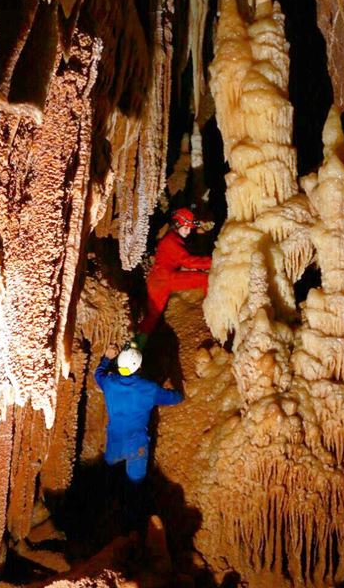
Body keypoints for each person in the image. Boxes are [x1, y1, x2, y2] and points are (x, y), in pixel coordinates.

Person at [94, 343, 183, 532]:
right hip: (137, 447)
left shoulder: (109, 384)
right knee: (135, 487)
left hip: (115, 444)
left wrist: (106, 358)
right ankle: (132, 527)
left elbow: (98, 375)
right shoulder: (148, 389)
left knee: (112, 479)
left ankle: (110, 514)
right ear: (139, 368)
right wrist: (180, 393)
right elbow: (173, 398)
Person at [137, 207, 212, 346]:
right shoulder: (171, 242)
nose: (188, 232)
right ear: (177, 225)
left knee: (152, 317)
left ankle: (138, 344)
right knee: (205, 279)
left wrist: (200, 225)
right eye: (186, 228)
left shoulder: (173, 236)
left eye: (190, 228)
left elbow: (182, 260)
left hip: (162, 278)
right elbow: (188, 261)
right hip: (164, 281)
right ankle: (137, 346)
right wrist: (214, 262)